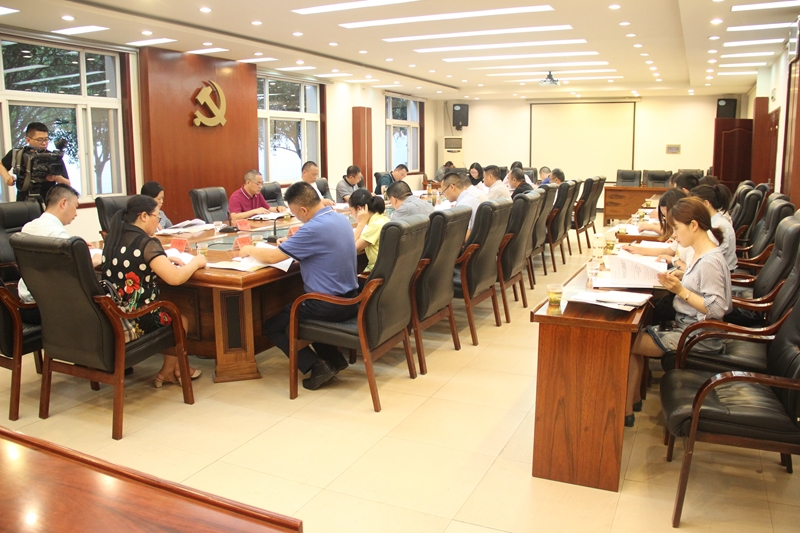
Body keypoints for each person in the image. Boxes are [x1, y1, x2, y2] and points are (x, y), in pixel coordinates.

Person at [240, 181, 359, 391]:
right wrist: (290, 244)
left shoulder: (313, 228)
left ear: (303, 209)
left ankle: (316, 366)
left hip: (327, 305)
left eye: (296, 214)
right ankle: (334, 359)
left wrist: (249, 249)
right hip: (351, 299)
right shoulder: (339, 219)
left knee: (273, 326)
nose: (298, 218)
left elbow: (272, 257)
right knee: (303, 310)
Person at [625, 197, 731, 426]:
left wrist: (681, 290)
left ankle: (627, 408)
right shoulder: (700, 252)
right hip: (688, 326)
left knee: (628, 343)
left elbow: (716, 309)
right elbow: (701, 286)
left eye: (676, 228)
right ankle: (630, 405)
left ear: (693, 225)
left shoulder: (709, 260)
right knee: (633, 340)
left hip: (697, 335)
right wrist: (682, 277)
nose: (674, 235)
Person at [101, 195, 207, 387]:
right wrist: (196, 262)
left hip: (112, 314)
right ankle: (167, 371)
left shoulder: (112, 239)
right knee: (180, 319)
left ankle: (176, 369)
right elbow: (175, 278)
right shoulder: (146, 243)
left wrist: (162, 259)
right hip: (135, 318)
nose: (158, 224)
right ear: (143, 216)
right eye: (156, 217)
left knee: (170, 313)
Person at [16, 184, 102, 324]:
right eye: (75, 206)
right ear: (63, 203)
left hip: (26, 303)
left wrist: (71, 243)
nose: (76, 213)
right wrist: (94, 262)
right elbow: (70, 273)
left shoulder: (28, 226)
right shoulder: (57, 234)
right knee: (102, 306)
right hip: (47, 309)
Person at [0, 122, 70, 203]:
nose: (44, 143)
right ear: (28, 139)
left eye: (46, 139)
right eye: (40, 140)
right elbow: (1, 165)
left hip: (47, 203)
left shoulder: (53, 157)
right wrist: (7, 177)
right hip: (23, 202)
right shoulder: (19, 154)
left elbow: (67, 184)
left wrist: (55, 177)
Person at [690, 184, 737, 271]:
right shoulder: (711, 221)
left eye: (695, 205)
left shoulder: (719, 226)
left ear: (706, 204)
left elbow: (708, 258)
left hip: (718, 272)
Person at [349, 189, 390, 273]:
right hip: (385, 270)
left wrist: (361, 224)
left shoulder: (375, 225)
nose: (351, 215)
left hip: (374, 272)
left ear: (360, 209)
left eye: (351, 211)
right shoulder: (383, 218)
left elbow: (351, 250)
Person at [442, 172, 482, 239]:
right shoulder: (472, 198)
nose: (444, 195)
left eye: (443, 191)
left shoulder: (463, 206)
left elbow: (465, 236)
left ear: (452, 187)